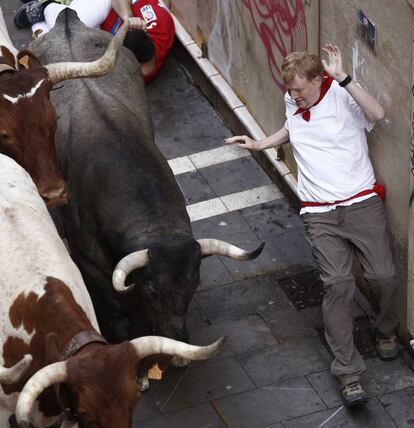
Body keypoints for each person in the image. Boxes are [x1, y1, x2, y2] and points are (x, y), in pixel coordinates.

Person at [225, 44, 399, 407]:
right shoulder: (295, 102)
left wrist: (344, 79)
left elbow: (379, 113)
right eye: (289, 90)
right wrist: (260, 143)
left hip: (360, 201)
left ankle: (385, 330)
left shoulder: (341, 95)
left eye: (299, 90)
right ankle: (349, 374)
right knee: (338, 284)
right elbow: (293, 129)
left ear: (319, 81)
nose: (292, 96)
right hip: (319, 212)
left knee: (383, 277)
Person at [14, 0, 175, 83]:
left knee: (60, 49)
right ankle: (46, 6)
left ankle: (39, 21)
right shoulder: (161, 23)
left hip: (95, 31)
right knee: (73, 23)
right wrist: (127, 16)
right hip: (102, 6)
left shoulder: (127, 74)